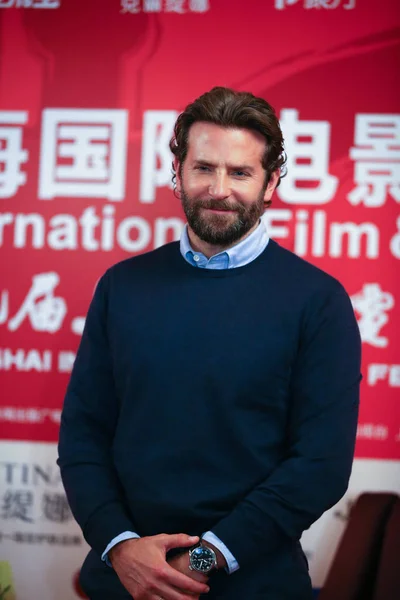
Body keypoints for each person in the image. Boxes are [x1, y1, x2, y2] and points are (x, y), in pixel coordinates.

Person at [58, 86, 362, 600]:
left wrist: (201, 560)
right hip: (124, 580)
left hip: (254, 585)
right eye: (203, 168)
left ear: (270, 185)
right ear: (177, 172)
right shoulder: (122, 286)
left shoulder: (318, 301)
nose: (219, 188)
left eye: (240, 173)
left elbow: (320, 466)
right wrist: (121, 546)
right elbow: (84, 433)